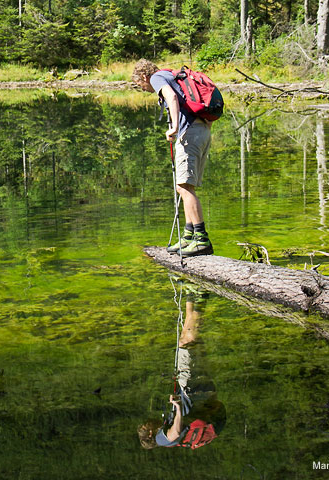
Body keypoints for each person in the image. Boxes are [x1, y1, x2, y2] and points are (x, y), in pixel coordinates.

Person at [131, 59, 213, 257]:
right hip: (201, 131)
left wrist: (175, 127)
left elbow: (171, 97)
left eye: (140, 84)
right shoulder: (172, 75)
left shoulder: (158, 78)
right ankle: (188, 235)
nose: (142, 88)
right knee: (183, 186)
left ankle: (201, 240)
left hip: (189, 133)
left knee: (185, 186)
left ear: (144, 76)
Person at [137, 295, 226, 449]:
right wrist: (177, 408)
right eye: (145, 427)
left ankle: (193, 297)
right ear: (150, 434)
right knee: (186, 343)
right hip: (193, 391)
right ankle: (197, 296)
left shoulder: (166, 431)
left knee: (189, 341)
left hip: (204, 394)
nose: (147, 423)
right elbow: (176, 432)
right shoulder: (162, 440)